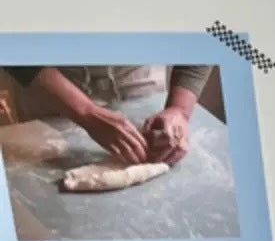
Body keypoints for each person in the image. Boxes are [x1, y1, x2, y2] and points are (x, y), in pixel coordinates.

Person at [3, 63, 213, 166]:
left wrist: (179, 109)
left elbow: (206, 23)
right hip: (51, 86)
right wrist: (85, 111)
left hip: (136, 78)